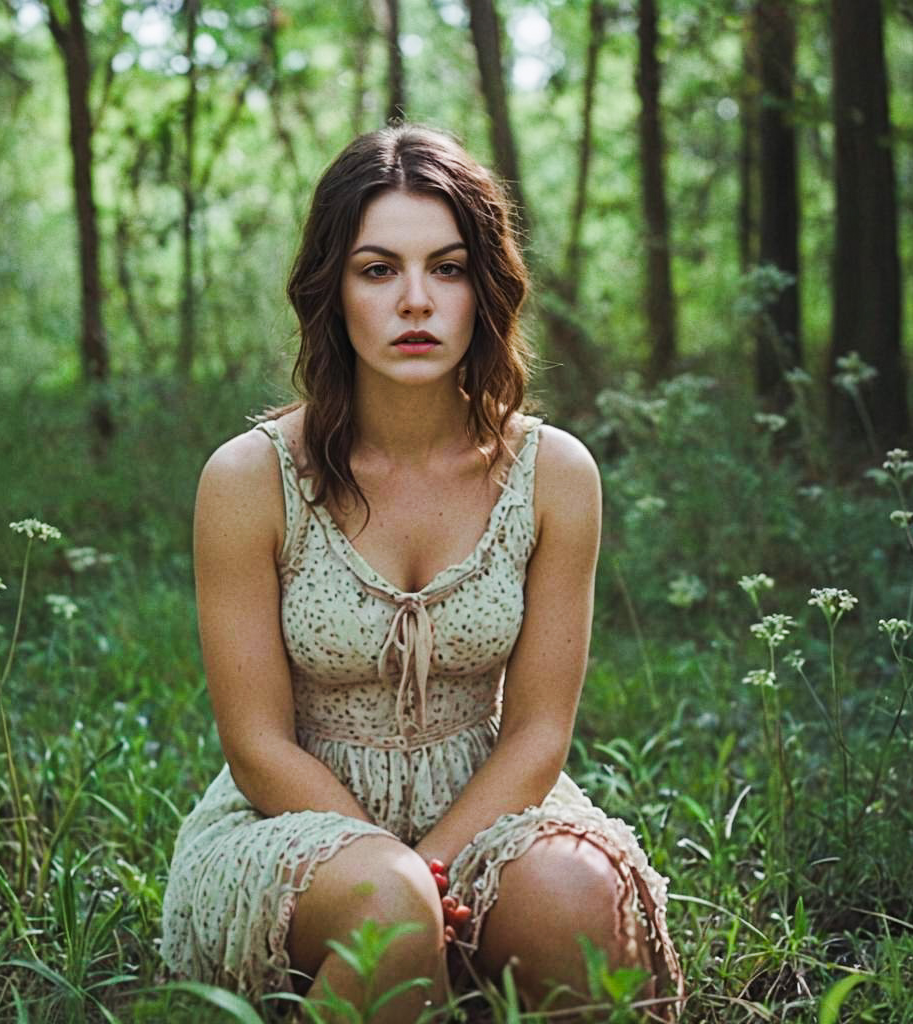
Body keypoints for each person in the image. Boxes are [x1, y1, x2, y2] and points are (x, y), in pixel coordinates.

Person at [161, 123, 684, 1021]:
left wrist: (432, 863)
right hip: (291, 822)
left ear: (486, 289)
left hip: (491, 804)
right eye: (378, 270)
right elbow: (258, 747)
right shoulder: (249, 479)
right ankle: (402, 959)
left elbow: (537, 735)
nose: (415, 301)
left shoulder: (553, 474)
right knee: (386, 908)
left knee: (578, 904)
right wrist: (404, 883)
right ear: (333, 291)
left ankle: (441, 961)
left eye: (447, 268)